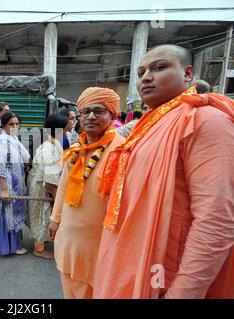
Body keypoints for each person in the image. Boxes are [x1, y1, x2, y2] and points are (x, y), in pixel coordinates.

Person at [94, 44, 234, 299]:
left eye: (159, 67)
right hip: (128, 264)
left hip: (165, 278)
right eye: (141, 72)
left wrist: (181, 293)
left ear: (188, 73)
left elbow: (216, 220)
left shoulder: (206, 121)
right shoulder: (147, 125)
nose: (146, 77)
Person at [48, 87, 125, 299]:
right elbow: (63, 186)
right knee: (69, 288)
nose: (91, 116)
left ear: (112, 115)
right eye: (86, 111)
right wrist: (55, 218)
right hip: (69, 239)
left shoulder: (121, 151)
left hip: (98, 243)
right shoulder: (76, 149)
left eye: (99, 111)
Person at [0, 111, 30, 256]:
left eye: (17, 124)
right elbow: (1, 168)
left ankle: (14, 245)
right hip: (7, 186)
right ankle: (9, 247)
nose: (15, 126)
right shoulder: (3, 142)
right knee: (8, 214)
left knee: (13, 213)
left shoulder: (12, 139)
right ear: (4, 125)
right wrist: (5, 190)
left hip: (14, 185)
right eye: (11, 124)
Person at [27, 113, 68, 260]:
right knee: (41, 217)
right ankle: (38, 249)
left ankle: (43, 242)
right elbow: (50, 180)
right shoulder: (48, 148)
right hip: (42, 187)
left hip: (41, 184)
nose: (66, 131)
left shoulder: (51, 143)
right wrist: (58, 199)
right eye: (64, 129)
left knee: (43, 216)